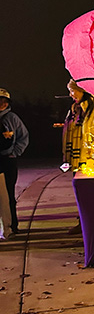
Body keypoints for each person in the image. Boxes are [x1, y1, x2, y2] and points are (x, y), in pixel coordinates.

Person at [62, 80, 94, 171]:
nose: (70, 95)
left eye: (72, 91)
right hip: (76, 160)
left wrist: (92, 153)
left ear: (82, 90)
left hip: (91, 161)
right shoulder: (75, 110)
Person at [0, 88, 29, 236]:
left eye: (5, 101)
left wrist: (15, 152)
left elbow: (23, 137)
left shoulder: (12, 118)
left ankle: (12, 225)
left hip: (8, 160)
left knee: (9, 193)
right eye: (0, 101)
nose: (2, 104)